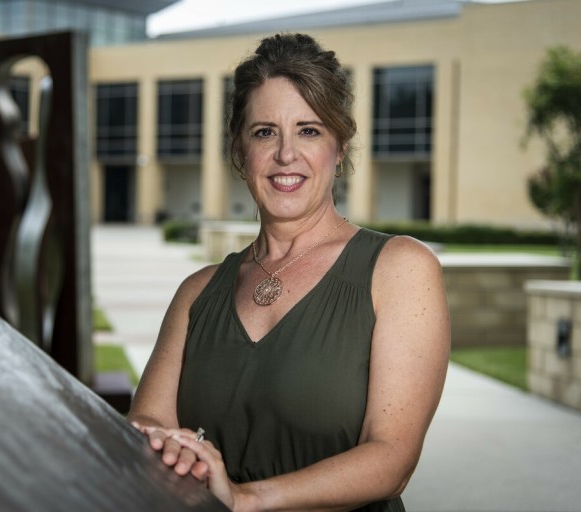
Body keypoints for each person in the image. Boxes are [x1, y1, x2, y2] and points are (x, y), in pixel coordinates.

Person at [128, 33, 450, 512]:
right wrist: (167, 447)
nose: (285, 154)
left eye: (309, 130)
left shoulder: (400, 270)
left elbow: (392, 460)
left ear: (340, 148)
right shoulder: (198, 293)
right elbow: (148, 421)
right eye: (264, 132)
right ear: (240, 151)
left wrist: (243, 498)